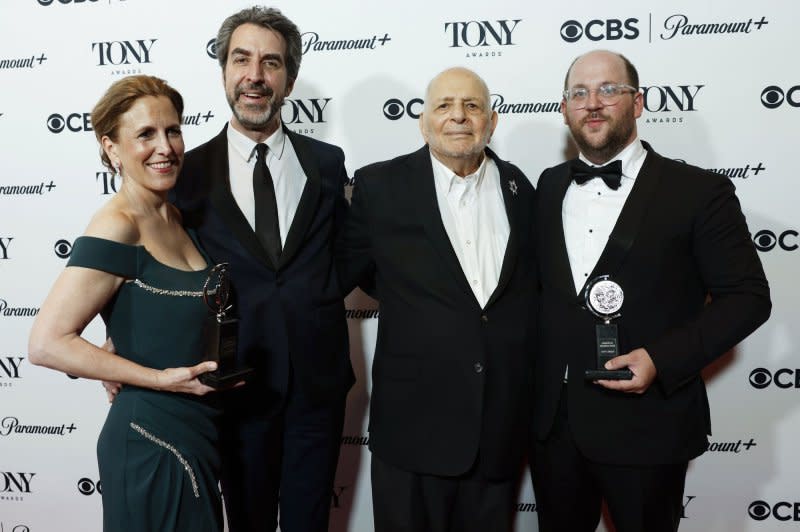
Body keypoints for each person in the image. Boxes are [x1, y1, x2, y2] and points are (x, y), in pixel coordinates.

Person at [531, 49, 771, 532]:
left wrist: (662, 359)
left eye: (608, 90)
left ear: (637, 103)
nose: (592, 103)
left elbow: (748, 297)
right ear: (564, 110)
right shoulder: (548, 185)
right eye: (579, 93)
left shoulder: (700, 192)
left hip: (649, 423)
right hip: (554, 428)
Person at [170, 7, 353, 532]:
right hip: (233, 383)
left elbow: (345, 253)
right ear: (224, 71)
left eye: (270, 63)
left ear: (289, 78)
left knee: (309, 519)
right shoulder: (187, 172)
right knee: (245, 520)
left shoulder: (327, 162)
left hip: (317, 384)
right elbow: (156, 265)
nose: (255, 75)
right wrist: (122, 339)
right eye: (241, 60)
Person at [337, 67, 537, 532]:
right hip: (412, 433)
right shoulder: (379, 187)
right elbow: (359, 275)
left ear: (492, 121)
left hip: (497, 434)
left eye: (472, 105)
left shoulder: (521, 190)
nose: (458, 116)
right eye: (444, 105)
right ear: (423, 121)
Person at [28, 75, 224, 531]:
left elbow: (155, 306)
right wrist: (156, 377)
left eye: (173, 130)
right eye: (145, 135)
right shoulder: (117, 223)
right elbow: (46, 343)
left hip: (198, 434)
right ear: (111, 149)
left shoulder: (176, 214)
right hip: (149, 440)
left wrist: (122, 340)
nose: (166, 147)